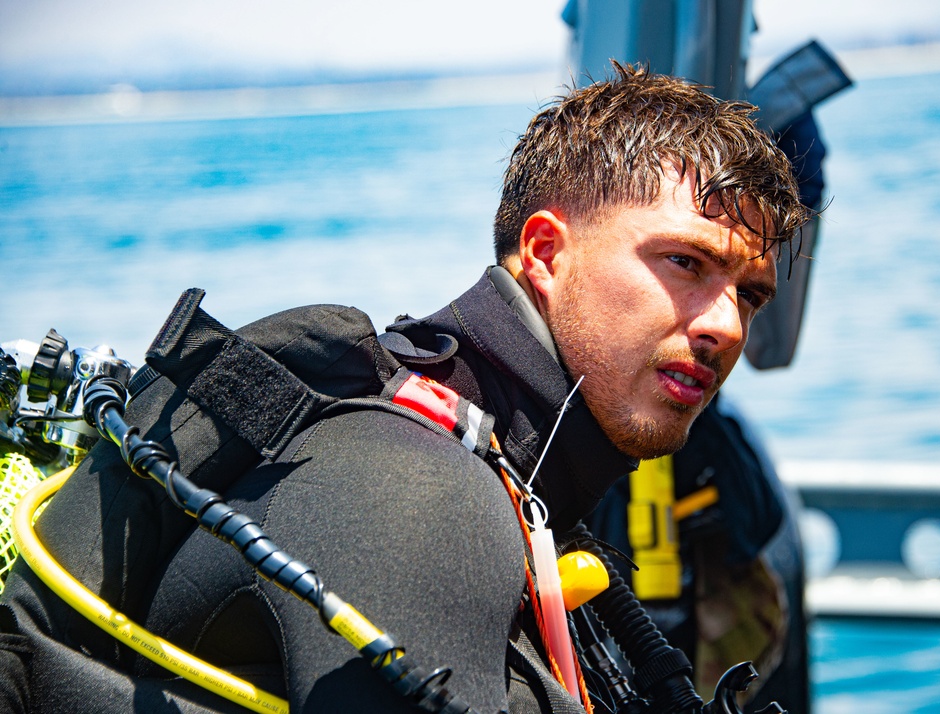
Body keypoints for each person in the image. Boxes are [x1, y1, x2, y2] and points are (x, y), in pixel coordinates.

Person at [0, 64, 809, 713]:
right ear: (546, 252)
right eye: (685, 264)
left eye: (750, 293)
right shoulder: (417, 496)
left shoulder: (508, 474)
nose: (726, 327)